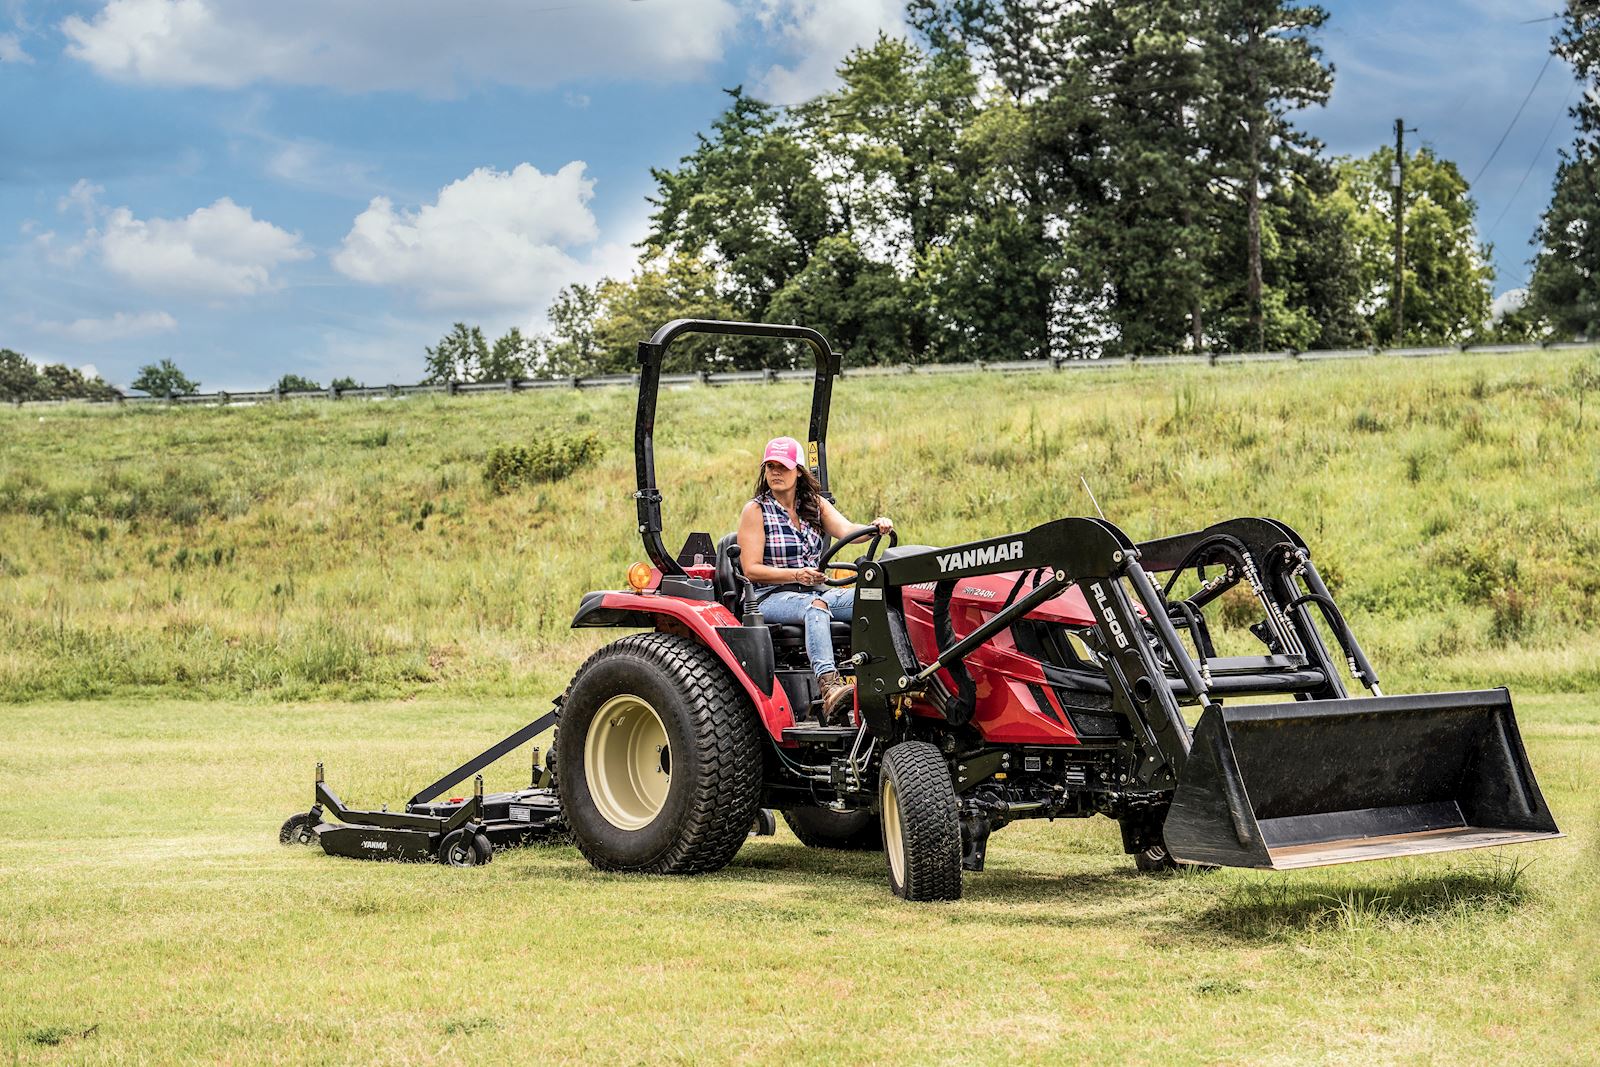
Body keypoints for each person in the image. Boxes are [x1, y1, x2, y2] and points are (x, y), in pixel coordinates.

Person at [737, 436, 893, 725]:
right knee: (815, 608)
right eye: (770, 467)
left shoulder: (814, 505)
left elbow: (848, 531)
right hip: (769, 596)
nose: (775, 472)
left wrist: (874, 528)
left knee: (874, 597)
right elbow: (751, 569)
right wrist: (797, 574)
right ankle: (830, 687)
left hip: (813, 590)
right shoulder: (756, 510)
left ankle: (891, 674)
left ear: (798, 471)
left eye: (782, 467)